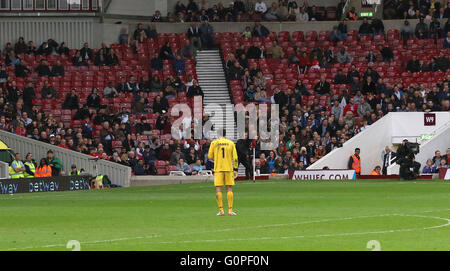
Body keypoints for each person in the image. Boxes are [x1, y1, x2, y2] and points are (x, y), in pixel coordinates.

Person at [208, 129, 239, 216]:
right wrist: (235, 168)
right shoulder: (231, 143)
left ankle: (221, 211)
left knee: (218, 189)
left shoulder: (214, 143)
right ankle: (230, 210)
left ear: (218, 134)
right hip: (228, 168)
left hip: (218, 169)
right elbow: (235, 158)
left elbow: (210, 156)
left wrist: (217, 159)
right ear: (225, 134)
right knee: (229, 188)